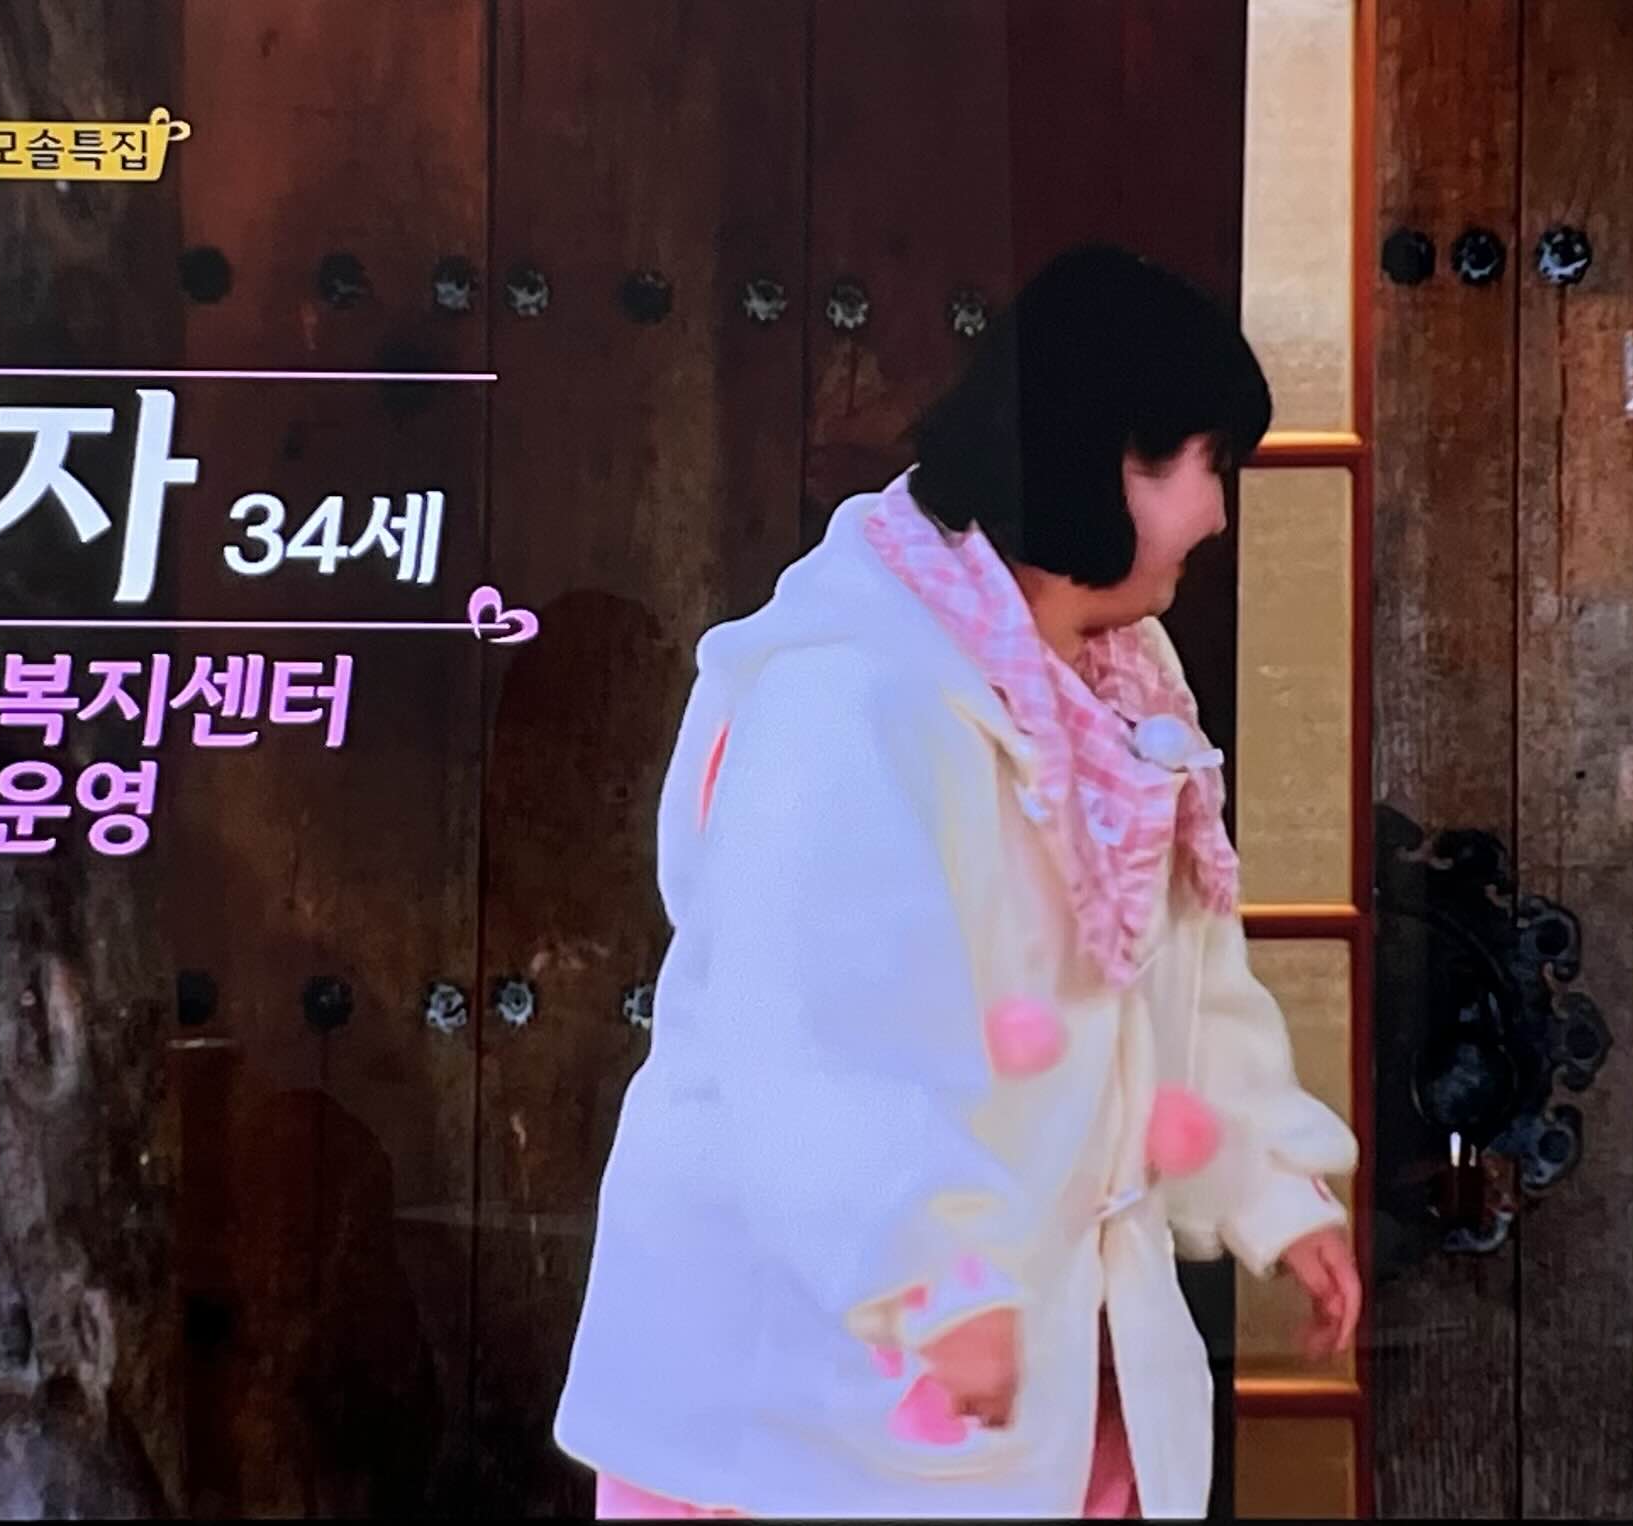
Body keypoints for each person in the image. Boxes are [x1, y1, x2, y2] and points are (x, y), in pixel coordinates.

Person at [553, 245, 1360, 1519]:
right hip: (812, 1396)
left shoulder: (1122, 681)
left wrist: (1269, 1183)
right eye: (1200, 464)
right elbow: (818, 1024)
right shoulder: (853, 688)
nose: (1216, 512)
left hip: (1035, 1359)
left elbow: (1179, 986)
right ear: (1102, 457)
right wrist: (927, 1268)